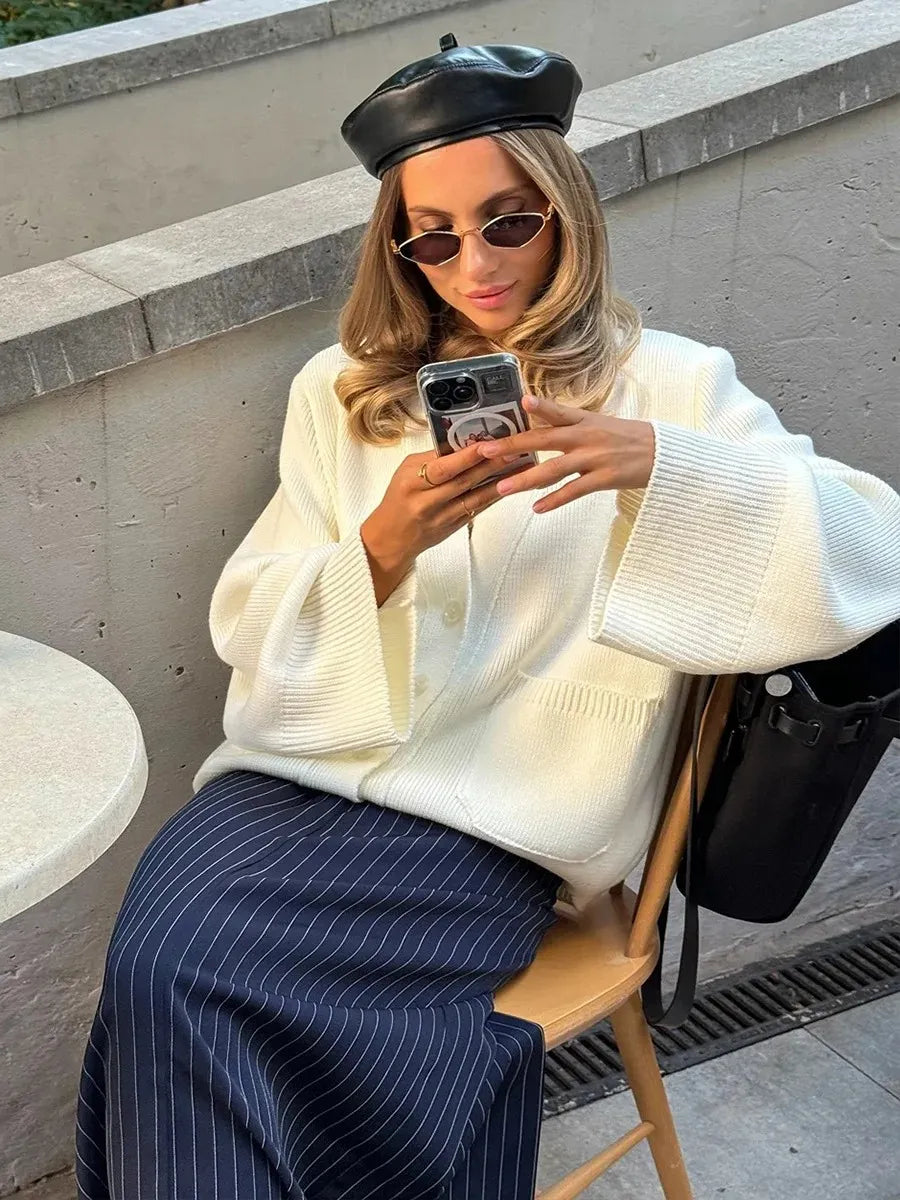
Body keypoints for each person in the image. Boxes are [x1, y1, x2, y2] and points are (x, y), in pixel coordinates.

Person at [74, 32, 900, 1200]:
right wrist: (380, 549)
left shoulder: (667, 380)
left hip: (500, 820)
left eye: (508, 220)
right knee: (165, 957)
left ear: (566, 213)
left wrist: (660, 464)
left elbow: (877, 550)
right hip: (297, 778)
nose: (475, 264)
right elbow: (252, 622)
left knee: (209, 979)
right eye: (435, 235)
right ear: (399, 247)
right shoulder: (345, 394)